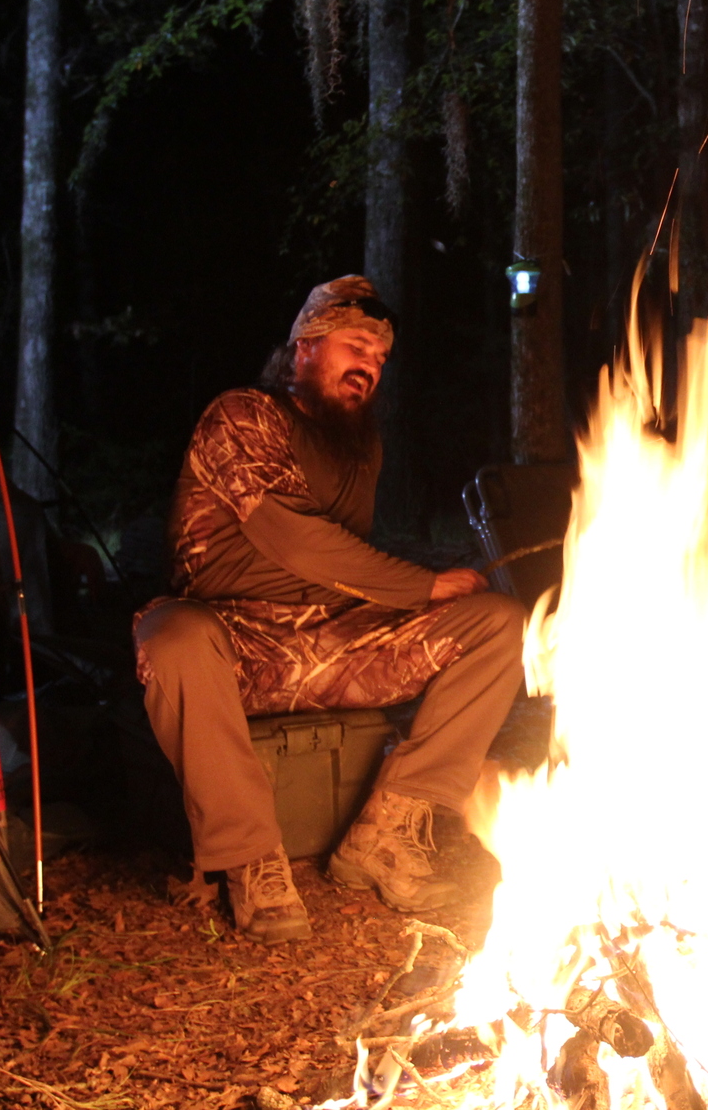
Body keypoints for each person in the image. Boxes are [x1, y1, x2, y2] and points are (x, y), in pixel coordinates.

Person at [134, 276, 525, 943]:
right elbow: (297, 540)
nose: (369, 364)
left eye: (379, 357)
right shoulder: (241, 416)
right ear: (306, 346)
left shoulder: (359, 447)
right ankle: (251, 858)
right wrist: (420, 585)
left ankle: (389, 830)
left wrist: (422, 595)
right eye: (356, 345)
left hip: (329, 640)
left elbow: (345, 563)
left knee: (497, 624)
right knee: (172, 638)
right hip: (236, 641)